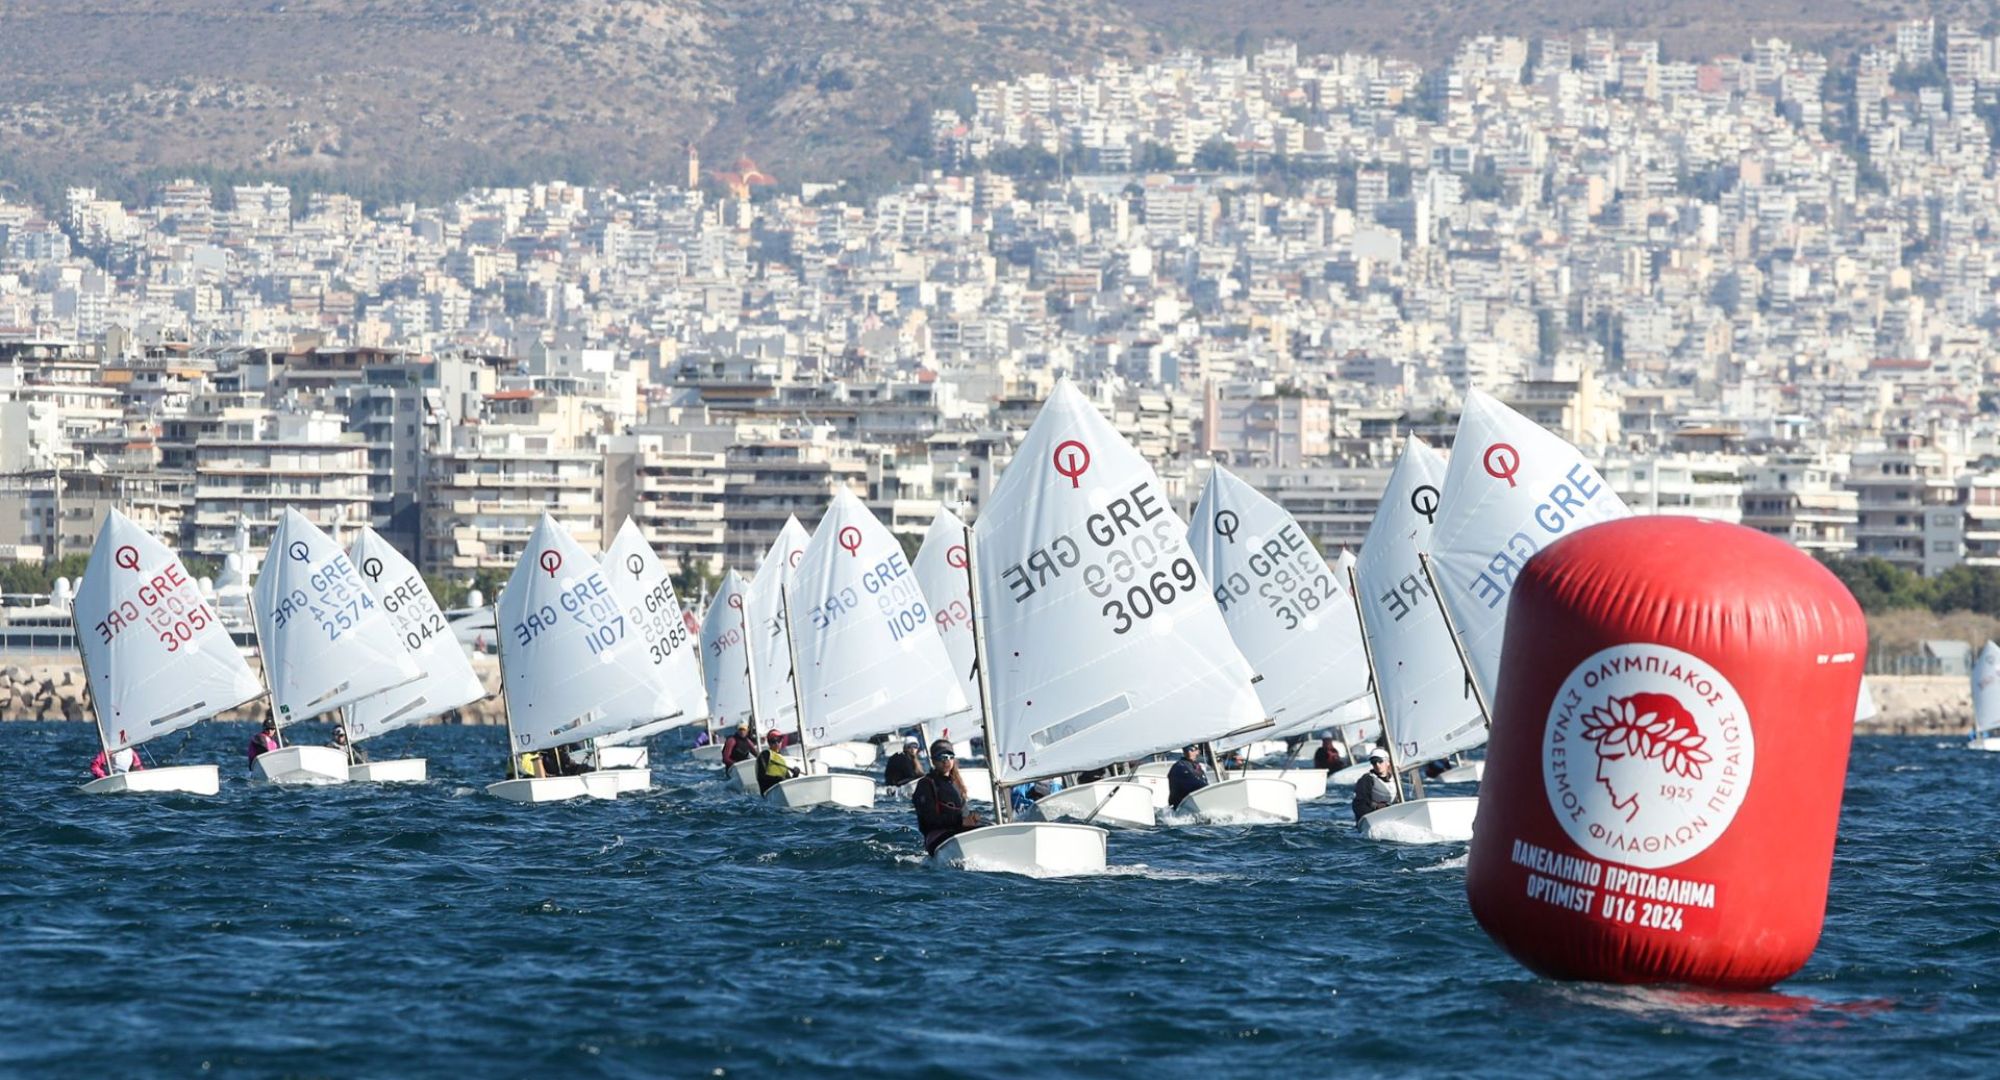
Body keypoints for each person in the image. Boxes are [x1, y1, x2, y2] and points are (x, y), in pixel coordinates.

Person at [912, 740, 981, 854]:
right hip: (936, 838)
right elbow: (929, 820)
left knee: (989, 827)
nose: (946, 761)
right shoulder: (926, 784)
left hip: (957, 832)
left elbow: (964, 814)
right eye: (941, 757)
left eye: (950, 756)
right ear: (933, 761)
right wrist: (960, 821)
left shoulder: (956, 784)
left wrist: (972, 818)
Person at [1351, 750, 1400, 821]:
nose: (1377, 765)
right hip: (1373, 818)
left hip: (1392, 816)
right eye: (1373, 762)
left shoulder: (1395, 779)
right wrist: (1376, 807)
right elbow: (1359, 805)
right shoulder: (1366, 779)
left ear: (1388, 762)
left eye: (1380, 761)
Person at [1167, 744, 1210, 809]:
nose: (1189, 752)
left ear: (1198, 751)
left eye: (1192, 750)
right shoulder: (1179, 767)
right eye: (1186, 750)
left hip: (1194, 802)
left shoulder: (1197, 766)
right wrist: (1207, 788)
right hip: (1181, 805)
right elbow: (1192, 783)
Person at [756, 729, 794, 794]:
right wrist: (778, 779)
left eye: (779, 740)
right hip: (769, 791)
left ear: (782, 740)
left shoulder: (782, 759)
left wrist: (795, 775)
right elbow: (762, 778)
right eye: (773, 741)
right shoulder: (765, 755)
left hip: (783, 790)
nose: (777, 743)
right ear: (769, 743)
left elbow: (788, 781)